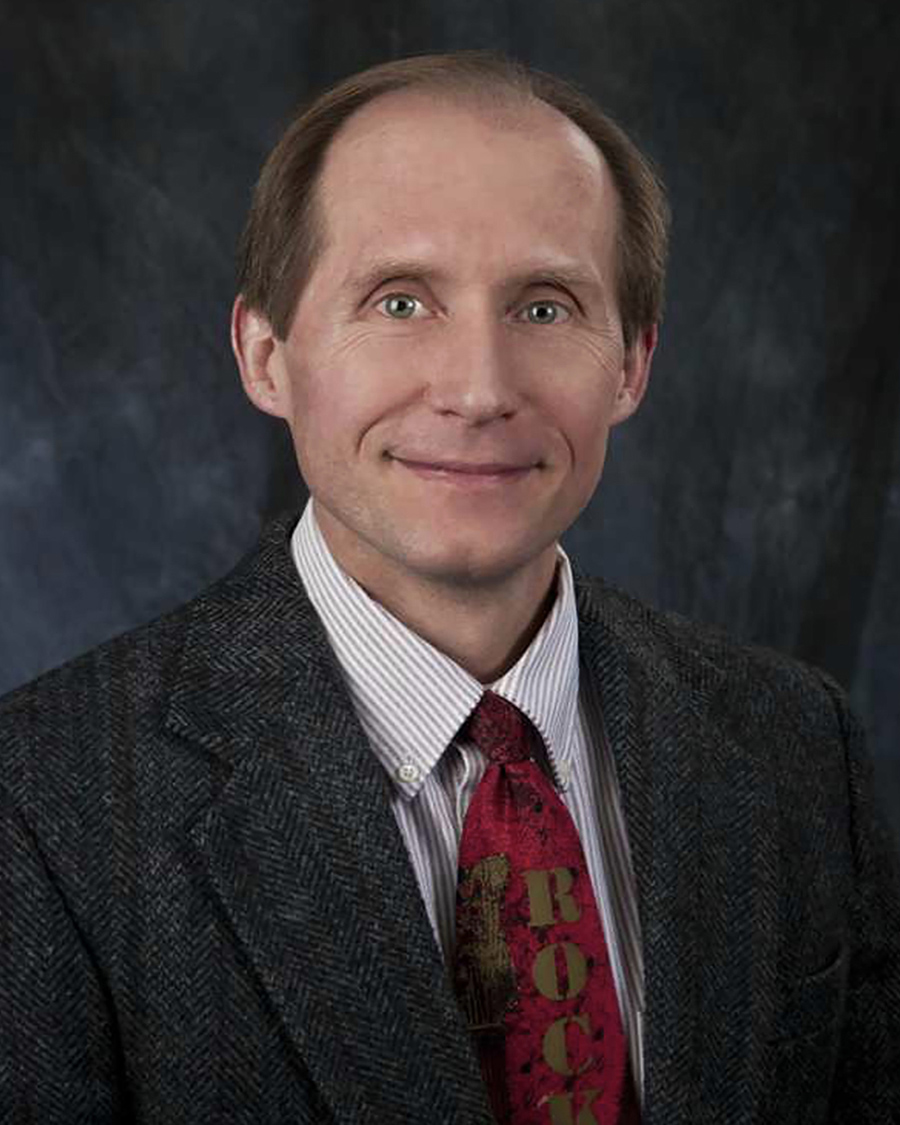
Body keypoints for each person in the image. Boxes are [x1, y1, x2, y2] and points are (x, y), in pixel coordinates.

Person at [1, 48, 898, 1125]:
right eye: (398, 302)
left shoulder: (799, 749)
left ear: (634, 364)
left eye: (546, 308)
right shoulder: (45, 803)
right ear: (265, 354)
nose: (478, 390)